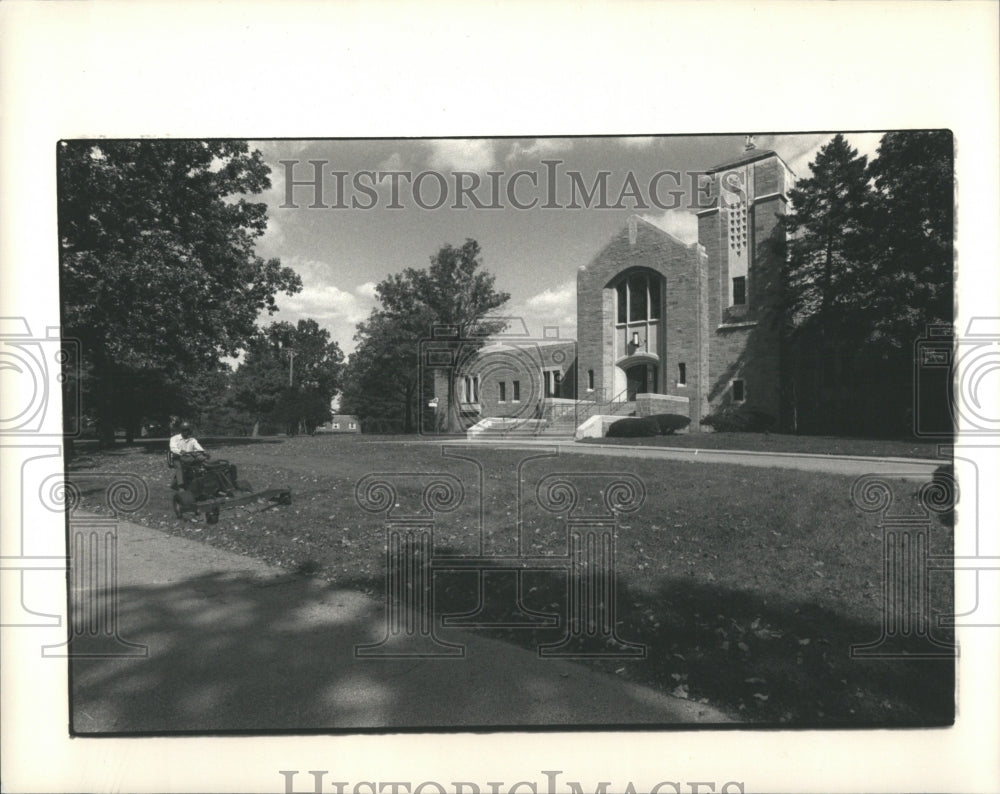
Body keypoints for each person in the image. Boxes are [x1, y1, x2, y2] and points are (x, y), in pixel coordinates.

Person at [169, 422, 208, 487]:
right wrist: (180, 451)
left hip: (190, 457)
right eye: (184, 430)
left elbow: (199, 448)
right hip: (177, 457)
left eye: (187, 430)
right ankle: (180, 485)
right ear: (181, 430)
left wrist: (203, 452)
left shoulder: (192, 440)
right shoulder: (174, 438)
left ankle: (206, 479)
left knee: (204, 461)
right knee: (179, 467)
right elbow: (173, 448)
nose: (185, 432)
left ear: (189, 431)